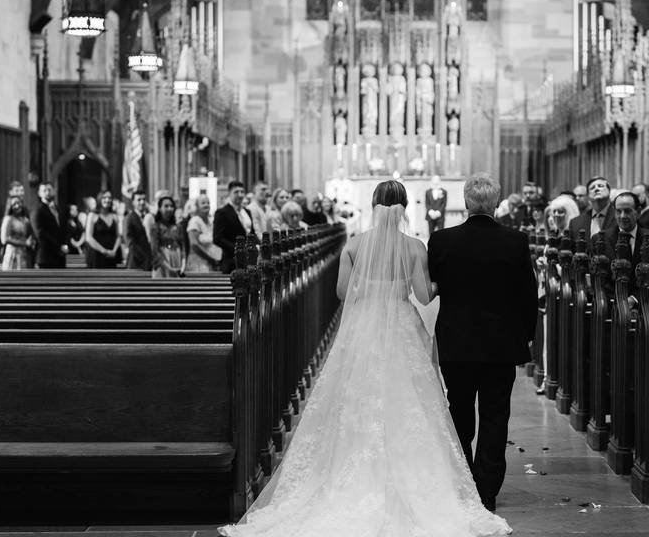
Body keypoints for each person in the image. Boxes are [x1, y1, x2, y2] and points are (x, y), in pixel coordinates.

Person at [219, 179, 511, 537]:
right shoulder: (414, 246)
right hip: (402, 326)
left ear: (373, 205)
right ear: (405, 206)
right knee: (409, 401)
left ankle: (349, 476)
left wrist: (370, 285)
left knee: (358, 400)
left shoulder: (355, 245)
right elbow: (423, 295)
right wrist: (435, 284)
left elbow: (343, 291)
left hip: (363, 329)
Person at [428, 173, 537, 515]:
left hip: (456, 342)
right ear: (495, 203)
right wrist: (527, 335)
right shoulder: (515, 241)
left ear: (464, 201)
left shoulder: (441, 240)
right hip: (500, 344)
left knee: (459, 412)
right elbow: (527, 294)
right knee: (495, 415)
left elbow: (435, 286)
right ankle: (486, 491)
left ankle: (462, 484)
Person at [596, 191, 649, 297]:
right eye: (618, 211)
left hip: (645, 305)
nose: (623, 216)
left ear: (638, 211)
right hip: (611, 306)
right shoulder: (600, 239)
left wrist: (634, 299)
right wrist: (620, 302)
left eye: (627, 211)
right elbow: (599, 279)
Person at [214, 180, 256, 274]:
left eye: (242, 192)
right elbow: (217, 238)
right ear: (229, 193)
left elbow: (251, 233)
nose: (240, 195)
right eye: (236, 192)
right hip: (231, 260)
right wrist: (238, 249)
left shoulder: (247, 211)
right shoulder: (222, 212)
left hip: (249, 261)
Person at [31, 182, 69, 269]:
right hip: (46, 257)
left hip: (60, 257)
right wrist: (59, 247)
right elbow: (40, 234)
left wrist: (66, 245)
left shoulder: (59, 209)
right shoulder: (37, 211)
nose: (47, 192)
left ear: (54, 191)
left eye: (49, 190)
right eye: (44, 190)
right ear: (39, 194)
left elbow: (65, 229)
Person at [568, 176, 616, 242]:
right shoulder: (576, 222)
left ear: (609, 191)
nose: (596, 189)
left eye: (600, 186)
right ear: (587, 195)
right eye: (592, 188)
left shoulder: (619, 216)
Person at [149, 195, 184, 278]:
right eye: (166, 206)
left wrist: (183, 265)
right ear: (160, 208)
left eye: (171, 206)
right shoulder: (155, 226)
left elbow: (183, 247)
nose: (169, 208)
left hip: (176, 260)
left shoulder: (178, 226)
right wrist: (170, 268)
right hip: (162, 263)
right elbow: (155, 251)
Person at [85, 190, 121, 269]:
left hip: (112, 255)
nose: (107, 200)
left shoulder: (115, 216)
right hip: (96, 254)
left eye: (109, 198)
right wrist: (104, 251)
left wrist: (114, 251)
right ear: (99, 199)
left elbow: (118, 236)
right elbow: (88, 237)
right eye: (104, 197)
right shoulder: (92, 215)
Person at [186, 194, 221, 273]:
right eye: (203, 203)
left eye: (208, 203)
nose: (206, 205)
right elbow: (194, 244)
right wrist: (211, 259)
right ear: (197, 207)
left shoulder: (211, 221)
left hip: (213, 262)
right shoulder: (194, 221)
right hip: (198, 263)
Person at [0, 196, 33, 270]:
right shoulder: (8, 219)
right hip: (13, 255)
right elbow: (4, 239)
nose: (17, 206)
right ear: (10, 207)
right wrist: (24, 243)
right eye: (14, 204)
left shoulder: (25, 220)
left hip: (24, 255)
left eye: (19, 203)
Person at [124, 189, 152, 271]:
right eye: (139, 200)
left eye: (144, 199)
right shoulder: (129, 218)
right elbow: (130, 242)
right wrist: (146, 257)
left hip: (149, 262)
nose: (142, 202)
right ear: (133, 202)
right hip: (136, 262)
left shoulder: (149, 217)